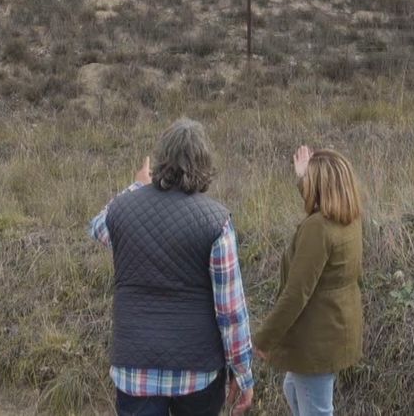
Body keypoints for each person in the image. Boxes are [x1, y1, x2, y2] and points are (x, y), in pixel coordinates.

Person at [89, 118, 255, 416]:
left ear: (161, 159)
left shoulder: (122, 210)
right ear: (204, 163)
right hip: (198, 371)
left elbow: (98, 226)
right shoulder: (217, 221)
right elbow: (231, 311)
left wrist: (136, 186)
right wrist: (243, 373)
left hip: (134, 368)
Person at [253, 146, 364, 416]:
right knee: (293, 387)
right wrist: (304, 177)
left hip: (316, 340)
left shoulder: (318, 228)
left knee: (315, 409)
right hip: (335, 330)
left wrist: (264, 339)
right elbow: (321, 201)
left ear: (321, 187)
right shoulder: (349, 219)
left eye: (311, 180)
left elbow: (295, 294)